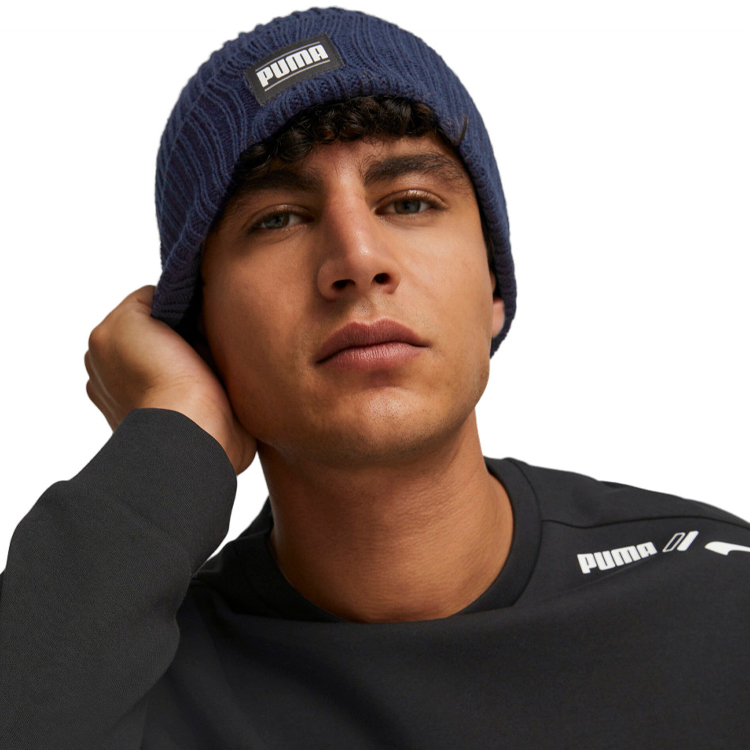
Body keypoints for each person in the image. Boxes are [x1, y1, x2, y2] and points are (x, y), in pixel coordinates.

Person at [1, 7, 748, 748]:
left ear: (494, 286)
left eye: (411, 202)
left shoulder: (719, 598)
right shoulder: (122, 675)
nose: (358, 258)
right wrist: (169, 433)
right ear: (198, 331)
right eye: (277, 219)